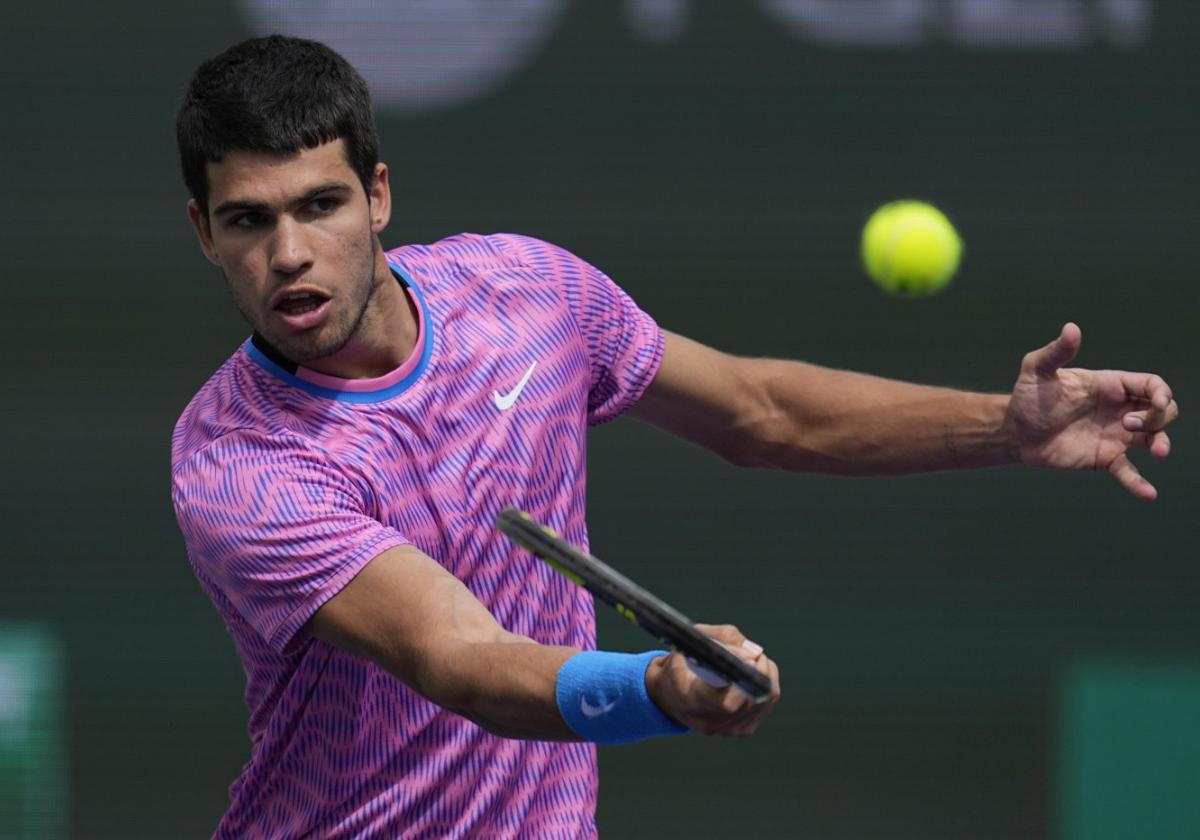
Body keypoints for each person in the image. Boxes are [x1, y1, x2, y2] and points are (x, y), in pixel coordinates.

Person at [171, 35, 1177, 840]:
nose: (291, 254)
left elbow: (761, 409)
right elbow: (459, 656)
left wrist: (1006, 426)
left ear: (379, 195)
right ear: (205, 234)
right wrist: (656, 688)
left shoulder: (527, 293)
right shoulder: (237, 466)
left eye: (320, 205)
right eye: (249, 221)